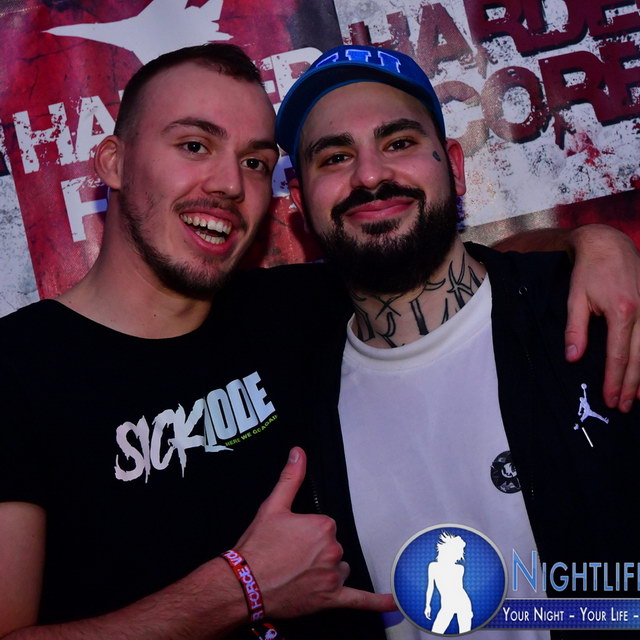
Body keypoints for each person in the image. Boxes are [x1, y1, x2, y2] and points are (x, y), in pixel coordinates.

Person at [0, 42, 638, 640]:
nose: (228, 183)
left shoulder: (289, 312)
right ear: (112, 161)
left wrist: (592, 243)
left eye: (254, 162)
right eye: (194, 145)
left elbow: (432, 254)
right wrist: (240, 589)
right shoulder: (18, 370)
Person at [274, 44, 640, 638]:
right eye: (336, 157)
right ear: (298, 202)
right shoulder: (289, 393)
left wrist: (596, 239)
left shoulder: (591, 320)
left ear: (454, 165)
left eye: (398, 143)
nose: (370, 176)